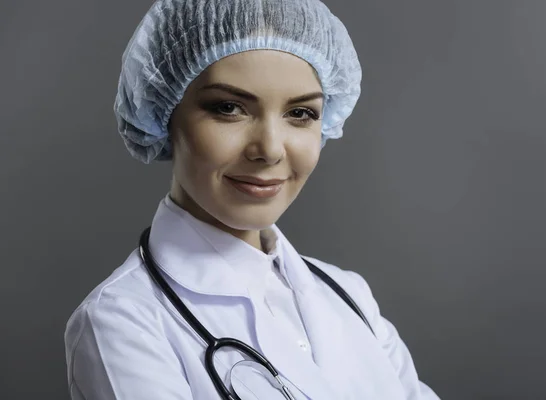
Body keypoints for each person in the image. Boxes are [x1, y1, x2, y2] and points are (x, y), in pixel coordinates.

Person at [63, 0, 440, 399]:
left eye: (300, 113)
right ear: (164, 111)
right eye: (229, 108)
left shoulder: (349, 295)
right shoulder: (121, 322)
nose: (270, 150)